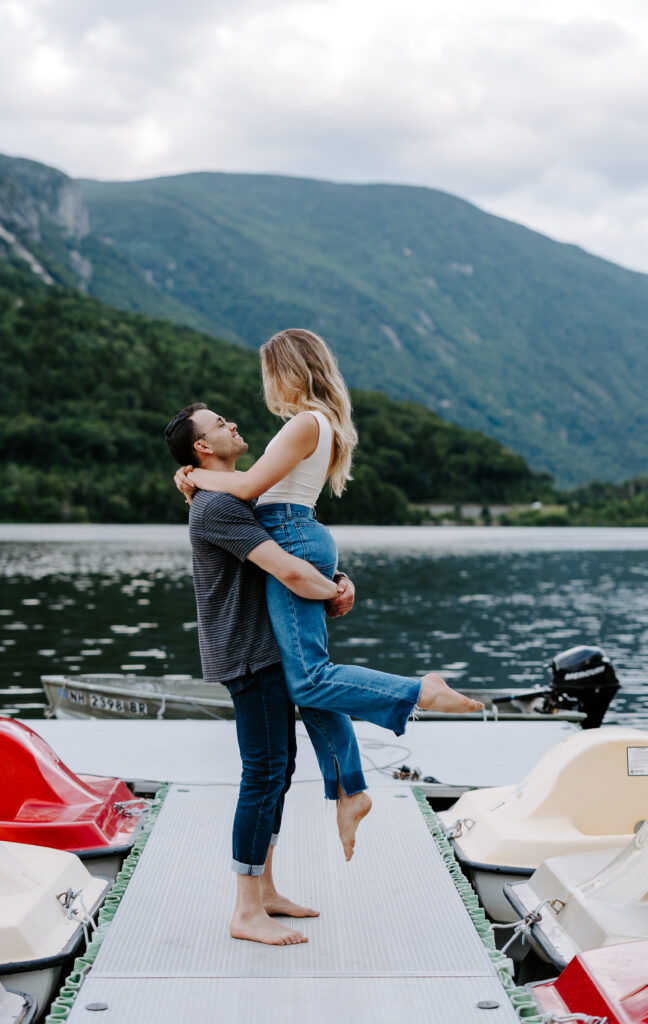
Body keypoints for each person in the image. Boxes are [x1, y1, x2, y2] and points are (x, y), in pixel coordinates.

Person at [174, 328, 484, 732]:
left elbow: (250, 487)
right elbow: (253, 493)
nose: (268, 384)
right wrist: (192, 478)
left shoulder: (305, 422)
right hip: (297, 532)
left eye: (271, 372)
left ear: (290, 371)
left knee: (310, 679)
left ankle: (417, 692)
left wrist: (195, 476)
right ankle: (348, 787)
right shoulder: (323, 423)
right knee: (312, 679)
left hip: (291, 532)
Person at [164, 404, 372, 947]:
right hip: (249, 653)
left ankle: (267, 890)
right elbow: (288, 570)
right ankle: (245, 909)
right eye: (219, 426)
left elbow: (291, 555)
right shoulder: (216, 507)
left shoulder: (240, 497)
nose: (233, 424)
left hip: (270, 649)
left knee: (280, 769)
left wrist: (336, 578)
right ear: (203, 449)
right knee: (262, 773)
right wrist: (336, 591)